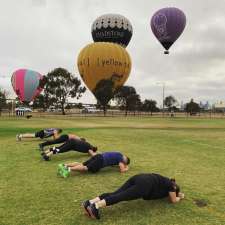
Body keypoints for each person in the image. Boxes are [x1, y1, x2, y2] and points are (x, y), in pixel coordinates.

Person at [82, 173, 184, 220]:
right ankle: (95, 206)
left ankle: (90, 202)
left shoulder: (166, 181)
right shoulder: (172, 187)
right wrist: (179, 197)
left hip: (139, 177)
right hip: (145, 185)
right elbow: (174, 200)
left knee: (116, 193)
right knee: (121, 196)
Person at [57, 151, 130, 178]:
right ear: (125, 161)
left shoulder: (118, 153)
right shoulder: (121, 159)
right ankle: (67, 169)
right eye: (124, 163)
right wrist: (126, 168)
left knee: (82, 164)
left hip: (98, 156)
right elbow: (122, 170)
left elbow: (112, 160)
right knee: (85, 168)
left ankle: (64, 165)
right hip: (101, 161)